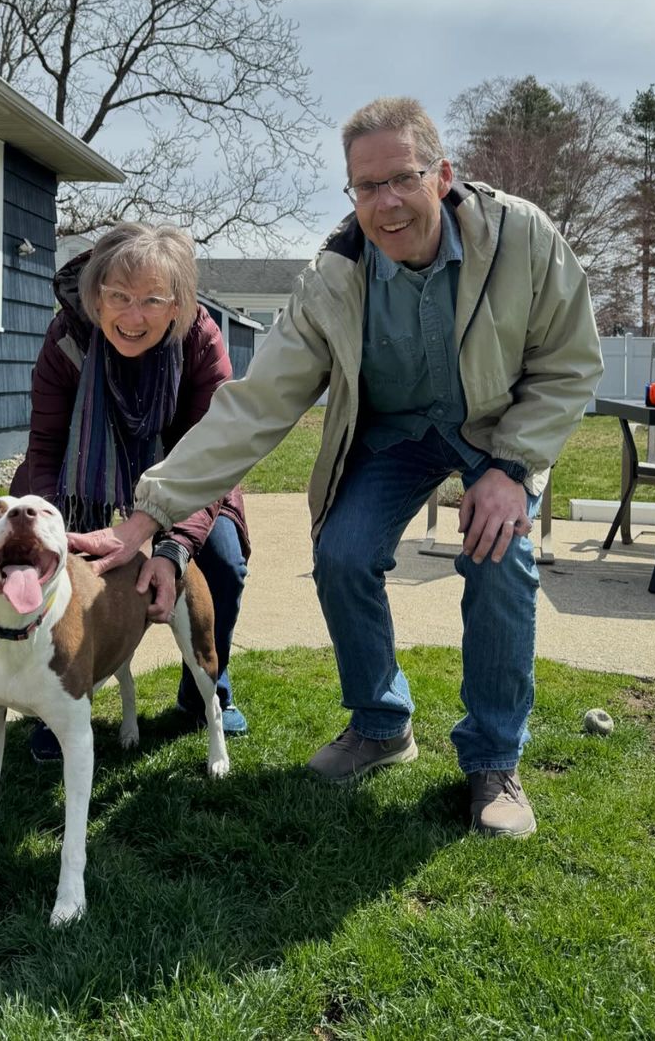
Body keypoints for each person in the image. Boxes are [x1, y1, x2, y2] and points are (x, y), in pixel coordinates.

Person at [70, 97, 603, 837]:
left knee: (500, 557)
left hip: (496, 430)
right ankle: (382, 727)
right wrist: (148, 513)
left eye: (402, 178)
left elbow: (571, 363)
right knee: (343, 556)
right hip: (391, 435)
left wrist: (512, 467)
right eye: (364, 186)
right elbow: (253, 405)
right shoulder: (333, 280)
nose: (384, 204)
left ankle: (493, 761)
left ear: (442, 175)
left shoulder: (521, 239)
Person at [10, 222, 251, 760]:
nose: (132, 316)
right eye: (117, 297)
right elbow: (46, 447)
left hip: (186, 471)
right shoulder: (66, 340)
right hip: (81, 475)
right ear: (95, 297)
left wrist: (172, 548)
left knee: (223, 562)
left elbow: (213, 454)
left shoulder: (202, 342)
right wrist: (54, 532)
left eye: (150, 300)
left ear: (178, 305)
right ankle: (60, 695)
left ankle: (205, 689)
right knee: (50, 569)